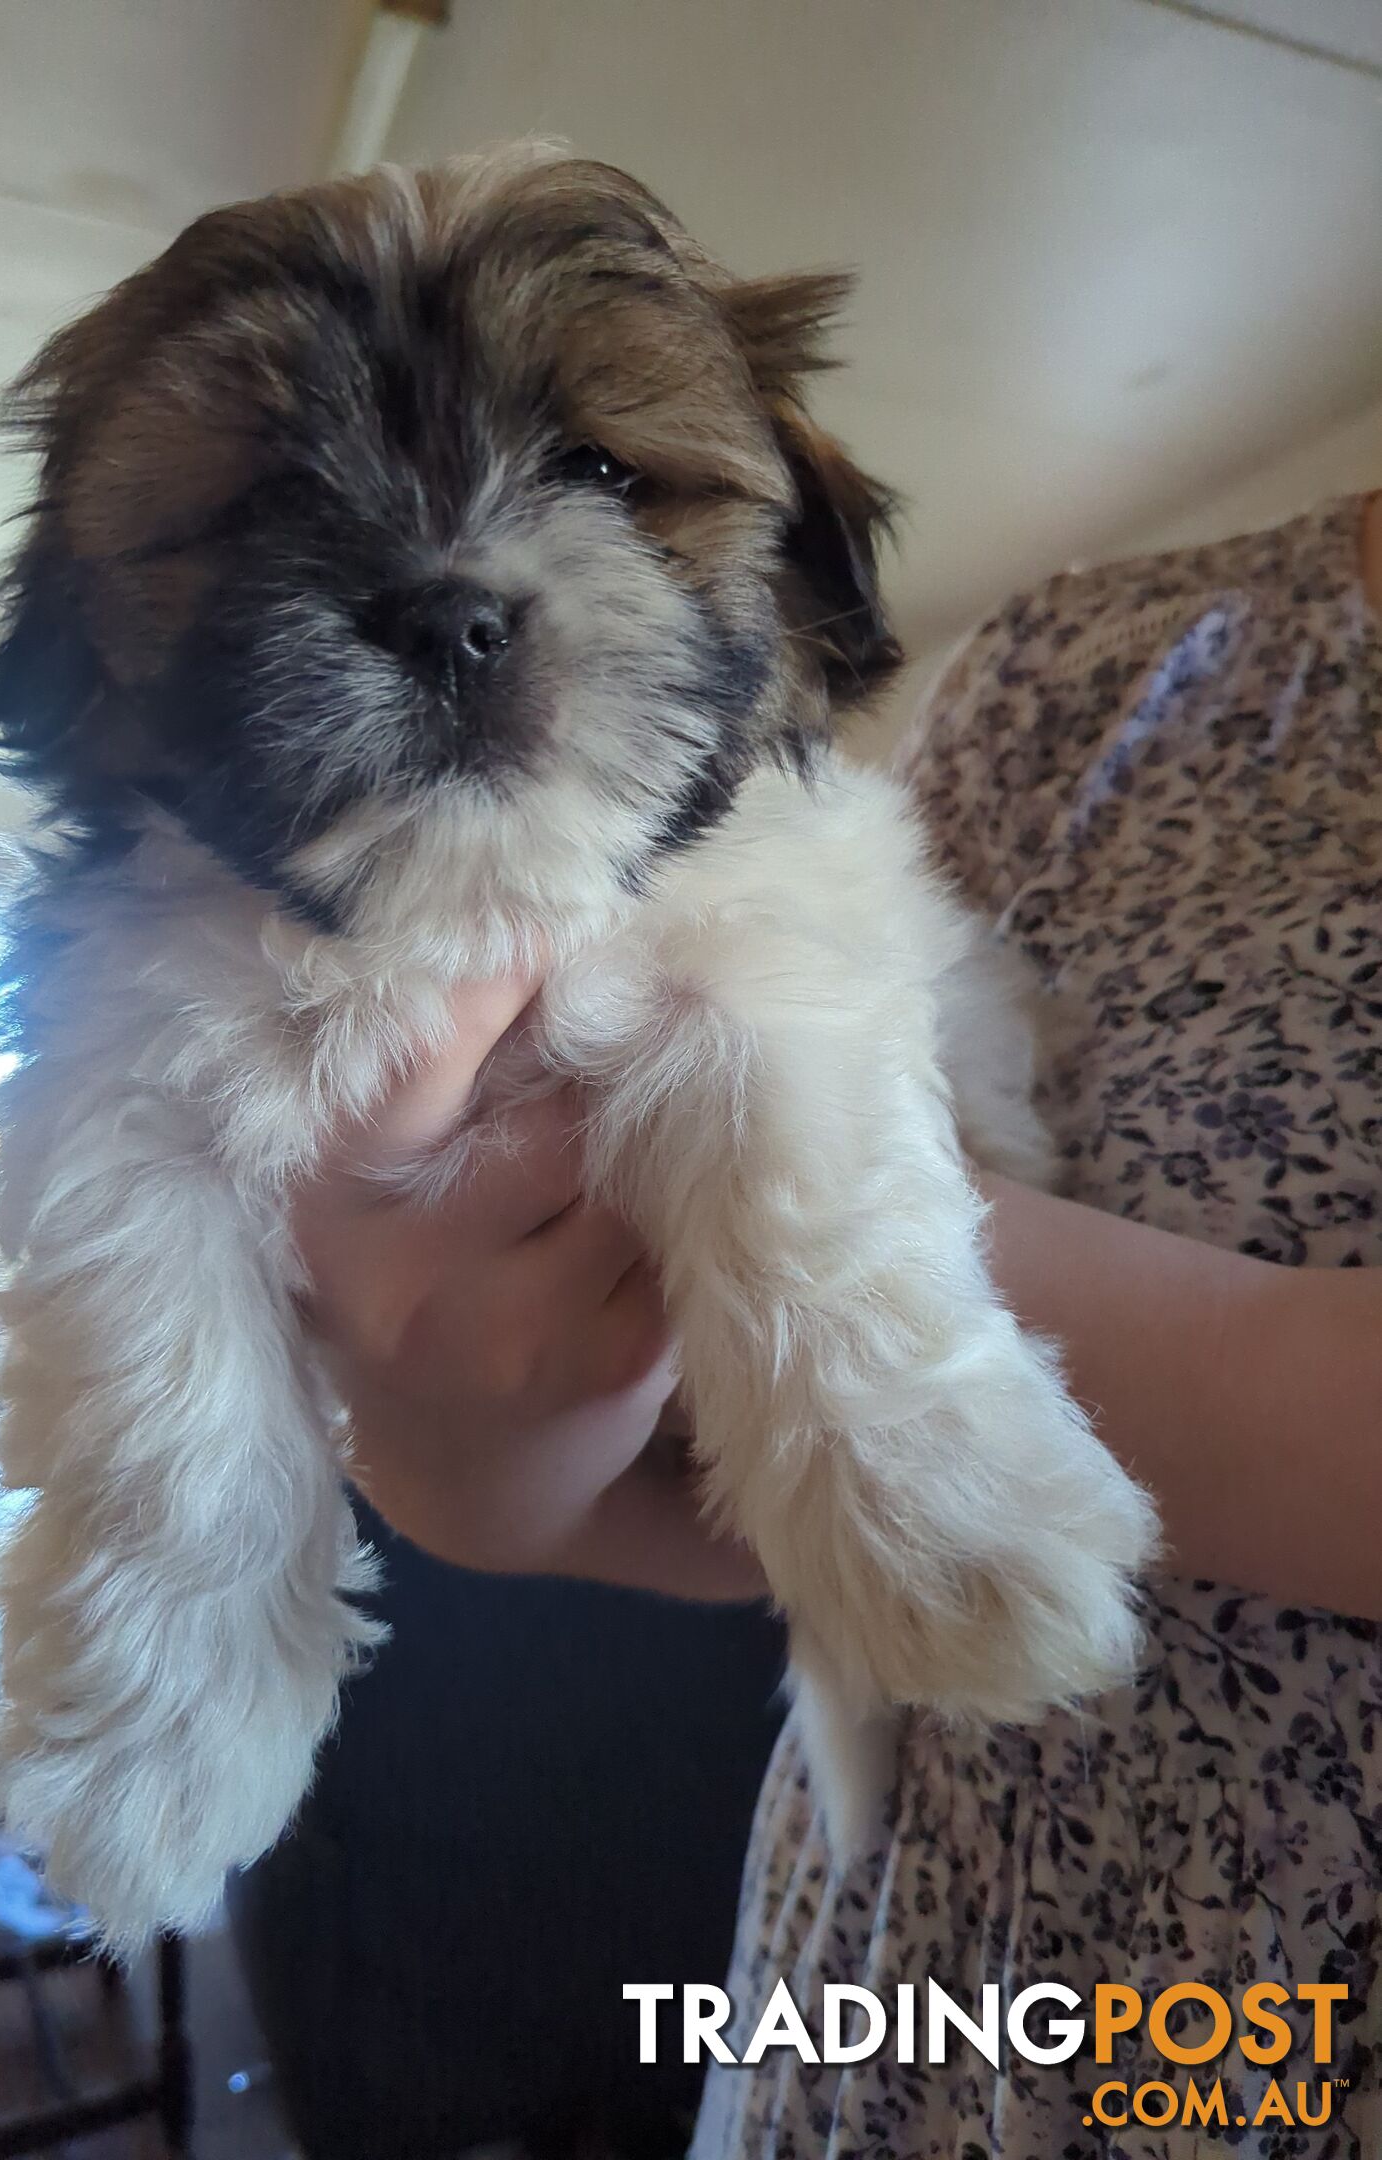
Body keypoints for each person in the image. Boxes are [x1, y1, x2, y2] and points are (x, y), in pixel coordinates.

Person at [287, 491, 1381, 2156]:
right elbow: (776, 1516)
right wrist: (483, 1471)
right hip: (887, 1992)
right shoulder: (1074, 663)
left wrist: (742, 1188)